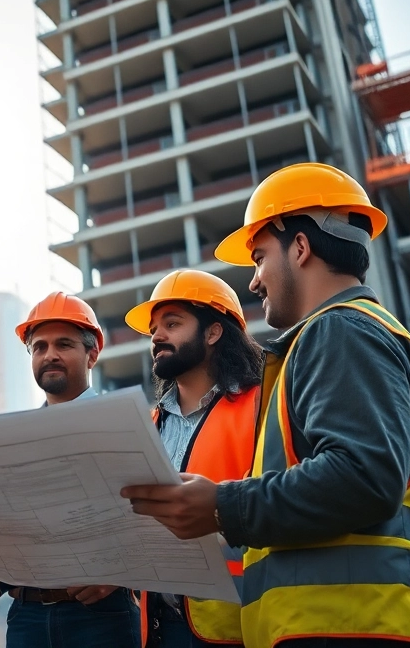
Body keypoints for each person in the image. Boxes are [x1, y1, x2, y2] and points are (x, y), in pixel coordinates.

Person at [121, 163, 410, 648]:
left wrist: (223, 506)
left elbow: (363, 476)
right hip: (362, 623)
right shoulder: (347, 335)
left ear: (301, 247)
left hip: (363, 626)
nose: (254, 281)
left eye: (260, 257)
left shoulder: (341, 329)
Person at [0, 293, 141, 648]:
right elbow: (11, 525)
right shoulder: (13, 441)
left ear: (92, 353)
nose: (49, 355)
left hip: (102, 616)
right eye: (39, 347)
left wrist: (121, 571)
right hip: (26, 617)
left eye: (64, 344)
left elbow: (151, 518)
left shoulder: (124, 426)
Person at [123, 270, 262, 647]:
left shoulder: (262, 407)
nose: (157, 336)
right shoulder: (147, 426)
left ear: (214, 332)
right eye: (153, 328)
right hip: (157, 625)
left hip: (239, 625)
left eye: (172, 323)